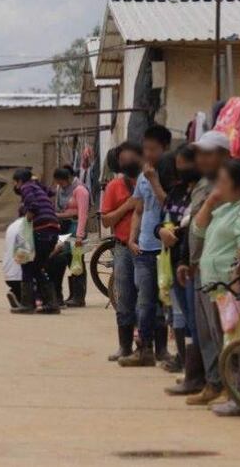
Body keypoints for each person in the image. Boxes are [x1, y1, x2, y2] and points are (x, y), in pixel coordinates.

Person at [191, 157, 240, 417]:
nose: (218, 187)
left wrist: (237, 276)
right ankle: (235, 392)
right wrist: (211, 201)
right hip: (220, 289)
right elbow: (198, 230)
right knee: (228, 343)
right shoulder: (226, 207)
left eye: (223, 182)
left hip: (239, 288)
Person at [169, 131, 230, 400]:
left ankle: (227, 385)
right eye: (200, 154)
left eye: (208, 153)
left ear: (224, 155)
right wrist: (186, 260)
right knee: (204, 329)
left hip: (221, 267)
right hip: (199, 266)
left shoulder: (231, 183)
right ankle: (212, 382)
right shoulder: (204, 184)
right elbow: (193, 225)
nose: (201, 159)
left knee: (222, 330)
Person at [120, 127, 173, 367]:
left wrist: (154, 180)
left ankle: (162, 351)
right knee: (144, 302)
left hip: (165, 247)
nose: (149, 153)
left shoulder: (169, 174)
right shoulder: (142, 177)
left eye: (154, 149)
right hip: (143, 247)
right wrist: (132, 238)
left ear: (165, 148)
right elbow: (139, 210)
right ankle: (144, 350)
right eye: (146, 149)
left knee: (163, 302)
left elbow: (169, 205)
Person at [154, 145, 198, 375]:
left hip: (192, 261)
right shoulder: (177, 193)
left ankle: (195, 371)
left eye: (184, 164)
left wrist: (176, 234)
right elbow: (162, 221)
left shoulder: (202, 192)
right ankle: (186, 363)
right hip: (173, 262)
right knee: (179, 314)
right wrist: (161, 231)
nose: (180, 170)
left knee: (193, 319)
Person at [101, 143, 141, 361]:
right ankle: (125, 347)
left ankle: (148, 347)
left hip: (148, 248)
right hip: (124, 248)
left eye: (131, 158)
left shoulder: (150, 181)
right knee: (125, 297)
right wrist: (127, 206)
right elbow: (106, 220)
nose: (127, 163)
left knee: (148, 299)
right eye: (123, 160)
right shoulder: (114, 186)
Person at [10, 169, 60, 315]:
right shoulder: (36, 186)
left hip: (41, 230)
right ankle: (52, 303)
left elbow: (33, 206)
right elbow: (51, 192)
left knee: (27, 264)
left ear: (19, 181)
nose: (16, 187)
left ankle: (27, 304)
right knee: (37, 267)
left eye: (15, 183)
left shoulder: (26, 187)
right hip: (53, 230)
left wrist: (26, 222)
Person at [50, 166, 90, 308]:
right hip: (64, 227)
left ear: (67, 179)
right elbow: (60, 209)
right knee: (66, 258)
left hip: (76, 228)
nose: (59, 186)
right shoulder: (61, 189)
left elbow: (83, 214)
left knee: (76, 261)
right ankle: (72, 295)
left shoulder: (80, 190)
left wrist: (79, 236)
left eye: (61, 182)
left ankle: (79, 297)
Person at [2, 218, 25, 308]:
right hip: (21, 276)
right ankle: (18, 296)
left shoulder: (12, 225)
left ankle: (15, 293)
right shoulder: (27, 226)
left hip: (8, 274)